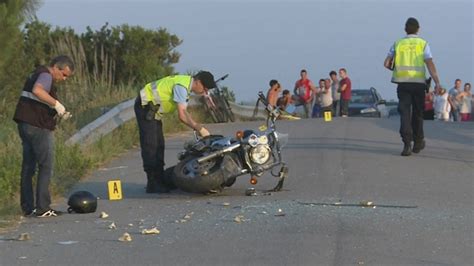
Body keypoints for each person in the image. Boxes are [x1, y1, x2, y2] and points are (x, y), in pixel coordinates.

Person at [13, 55, 75, 217]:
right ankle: (43, 207)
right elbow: (38, 90)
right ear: (56, 67)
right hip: (37, 127)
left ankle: (27, 207)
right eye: (64, 74)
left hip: (25, 124)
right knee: (46, 165)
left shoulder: (35, 74)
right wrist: (57, 105)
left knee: (28, 167)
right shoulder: (46, 75)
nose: (64, 79)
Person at [134, 71, 215, 193]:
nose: (205, 92)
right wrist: (199, 128)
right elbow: (182, 116)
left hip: (153, 110)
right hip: (145, 106)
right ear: (198, 82)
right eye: (205, 88)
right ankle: (153, 183)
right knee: (151, 145)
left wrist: (196, 126)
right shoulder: (181, 87)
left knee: (159, 145)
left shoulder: (185, 85)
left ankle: (159, 180)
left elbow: (185, 112)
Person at [384, 17, 441, 156]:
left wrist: (396, 69)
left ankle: (406, 144)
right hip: (418, 84)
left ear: (405, 29)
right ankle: (418, 141)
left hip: (403, 84)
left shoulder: (398, 43)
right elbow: (429, 63)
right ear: (418, 29)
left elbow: (386, 63)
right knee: (418, 113)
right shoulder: (423, 43)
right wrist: (437, 82)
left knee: (404, 113)